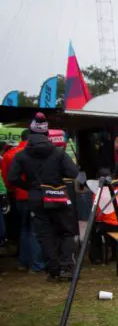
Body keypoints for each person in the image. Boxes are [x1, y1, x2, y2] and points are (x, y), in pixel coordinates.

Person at [9, 113, 80, 281]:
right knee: (66, 232)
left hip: (36, 198)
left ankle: (53, 270)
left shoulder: (21, 155)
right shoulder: (58, 153)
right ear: (47, 134)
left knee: (44, 234)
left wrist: (31, 187)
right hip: (58, 195)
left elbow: (12, 178)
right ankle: (66, 266)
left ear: (31, 134)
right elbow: (73, 173)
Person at [1, 129, 45, 273]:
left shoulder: (8, 155)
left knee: (24, 229)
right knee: (35, 230)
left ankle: (23, 262)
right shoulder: (37, 154)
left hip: (19, 196)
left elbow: (8, 179)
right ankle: (36, 264)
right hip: (35, 195)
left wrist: (14, 190)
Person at [88, 168, 118, 264]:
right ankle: (115, 254)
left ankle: (97, 257)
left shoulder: (99, 192)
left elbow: (98, 214)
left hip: (113, 226)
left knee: (95, 229)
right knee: (113, 224)